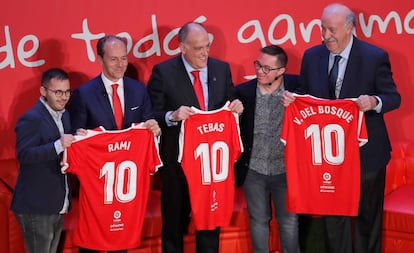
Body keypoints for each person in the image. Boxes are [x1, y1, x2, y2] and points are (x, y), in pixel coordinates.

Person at [282, 3, 401, 253]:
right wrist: (294, 98)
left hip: (367, 155)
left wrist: (374, 102)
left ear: (350, 27)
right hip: (330, 157)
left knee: (366, 220)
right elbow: (306, 92)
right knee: (333, 219)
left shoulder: (374, 57)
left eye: (331, 29)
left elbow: (393, 96)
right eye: (322, 28)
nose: (326, 35)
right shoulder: (312, 56)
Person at [147, 22, 243, 253]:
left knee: (210, 224)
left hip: (211, 166)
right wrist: (172, 115)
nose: (205, 53)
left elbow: (228, 104)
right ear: (182, 47)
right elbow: (151, 114)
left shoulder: (221, 69)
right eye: (198, 48)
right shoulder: (164, 72)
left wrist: (236, 106)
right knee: (174, 224)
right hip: (177, 164)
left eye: (207, 46)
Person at [68, 35, 160, 253]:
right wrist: (80, 136)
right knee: (92, 240)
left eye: (124, 58)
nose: (120, 65)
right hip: (97, 185)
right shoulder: (84, 94)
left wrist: (153, 128)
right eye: (113, 59)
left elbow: (148, 124)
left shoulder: (139, 90)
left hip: (127, 186)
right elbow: (75, 136)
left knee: (121, 240)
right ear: (100, 60)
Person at [234, 45, 300, 253]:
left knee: (289, 222)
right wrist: (236, 111)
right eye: (258, 65)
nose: (260, 71)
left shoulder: (298, 89)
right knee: (258, 221)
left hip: (286, 170)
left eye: (266, 68)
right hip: (254, 170)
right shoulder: (242, 92)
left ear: (281, 70)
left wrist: (298, 103)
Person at [11, 68, 74, 253]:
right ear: (43, 91)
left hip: (57, 202)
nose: (63, 97)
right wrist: (58, 145)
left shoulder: (65, 115)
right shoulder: (31, 118)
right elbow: (24, 154)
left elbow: (65, 149)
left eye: (67, 91)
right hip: (36, 205)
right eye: (58, 92)